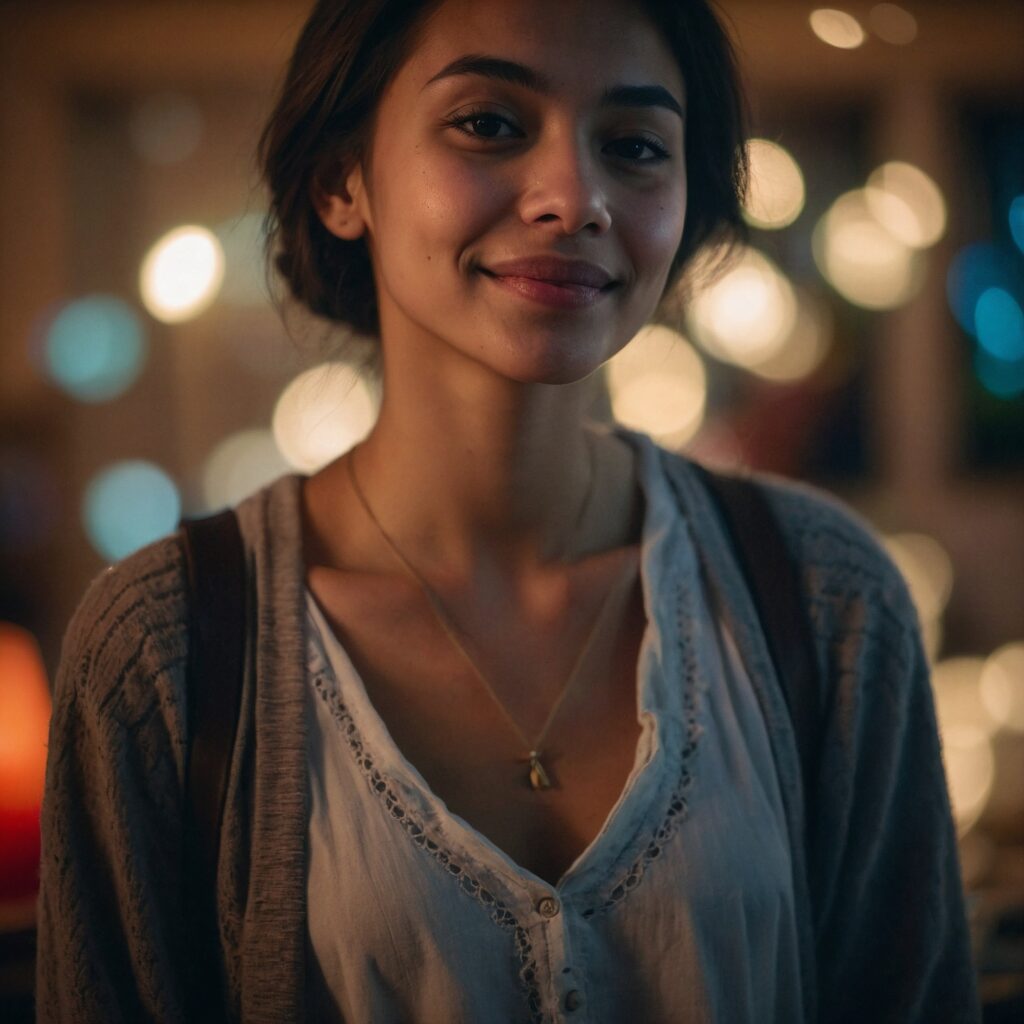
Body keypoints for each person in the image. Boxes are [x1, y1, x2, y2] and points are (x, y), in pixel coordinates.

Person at [36, 0, 980, 1021]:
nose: (574, 197)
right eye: (488, 123)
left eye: (632, 144)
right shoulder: (164, 646)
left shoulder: (824, 595)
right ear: (339, 179)